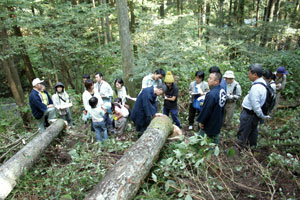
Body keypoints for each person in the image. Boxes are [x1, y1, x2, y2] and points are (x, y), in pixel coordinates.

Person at [237, 64, 270, 149]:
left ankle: (238, 151)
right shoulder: (263, 83)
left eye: (249, 73)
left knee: (243, 133)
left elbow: (256, 106)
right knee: (253, 131)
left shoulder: (256, 87)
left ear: (255, 74)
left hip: (250, 115)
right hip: (253, 115)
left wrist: (261, 115)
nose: (248, 75)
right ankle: (252, 148)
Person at [197, 72, 226, 144]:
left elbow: (206, 110)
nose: (208, 80)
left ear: (217, 81)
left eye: (210, 78)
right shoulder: (222, 90)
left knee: (201, 140)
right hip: (218, 120)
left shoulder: (211, 94)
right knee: (215, 138)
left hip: (210, 121)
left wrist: (201, 121)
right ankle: (214, 153)